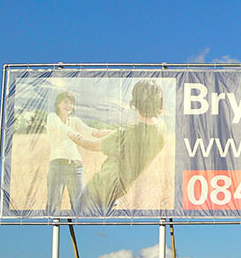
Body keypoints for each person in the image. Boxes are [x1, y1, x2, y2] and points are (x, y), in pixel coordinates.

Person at [68, 80, 166, 215]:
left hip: (98, 191)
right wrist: (108, 133)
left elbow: (91, 145)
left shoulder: (127, 134)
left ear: (135, 102)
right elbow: (129, 138)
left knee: (79, 223)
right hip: (116, 193)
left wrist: (70, 134)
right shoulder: (161, 128)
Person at [45, 91, 106, 212]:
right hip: (58, 165)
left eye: (71, 103)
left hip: (76, 166)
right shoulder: (52, 117)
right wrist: (72, 134)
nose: (69, 105)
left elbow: (90, 131)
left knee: (80, 206)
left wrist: (105, 133)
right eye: (65, 102)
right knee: (53, 205)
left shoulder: (75, 121)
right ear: (58, 104)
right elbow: (62, 128)